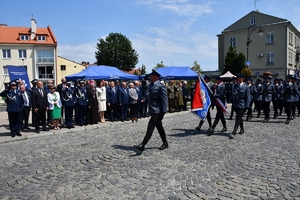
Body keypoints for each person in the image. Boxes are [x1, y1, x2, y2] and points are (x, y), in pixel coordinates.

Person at [134, 69, 168, 151]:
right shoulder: (151, 84)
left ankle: (143, 144)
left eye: (151, 76)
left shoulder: (161, 86)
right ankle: (165, 142)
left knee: (150, 127)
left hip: (158, 110)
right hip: (152, 109)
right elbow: (144, 87)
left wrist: (163, 111)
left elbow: (164, 99)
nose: (150, 77)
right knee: (159, 127)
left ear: (155, 77)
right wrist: (144, 80)